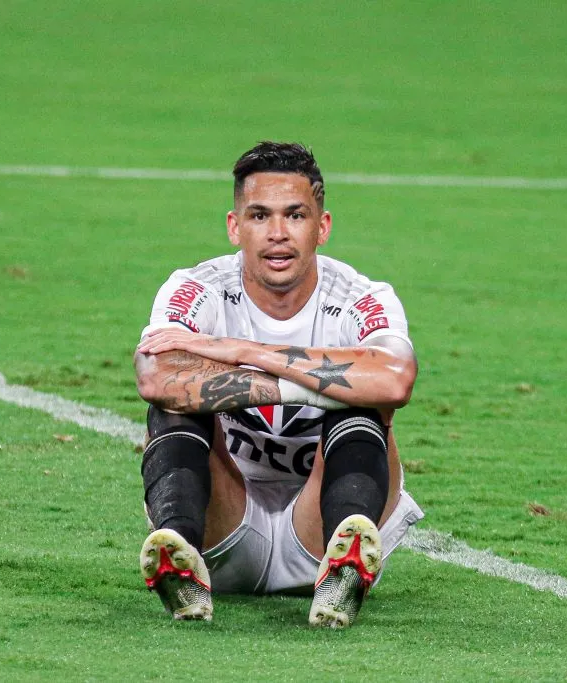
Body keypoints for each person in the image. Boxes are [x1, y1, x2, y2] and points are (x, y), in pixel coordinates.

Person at [134, 141, 423, 628]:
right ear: (234, 227)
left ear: (322, 227)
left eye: (295, 215)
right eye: (260, 216)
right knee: (175, 406)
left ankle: (343, 571)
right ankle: (179, 553)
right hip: (226, 521)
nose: (278, 235)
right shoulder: (199, 289)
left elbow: (395, 380)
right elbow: (157, 376)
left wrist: (248, 353)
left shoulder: (361, 297)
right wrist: (314, 383)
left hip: (322, 526)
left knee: (364, 405)